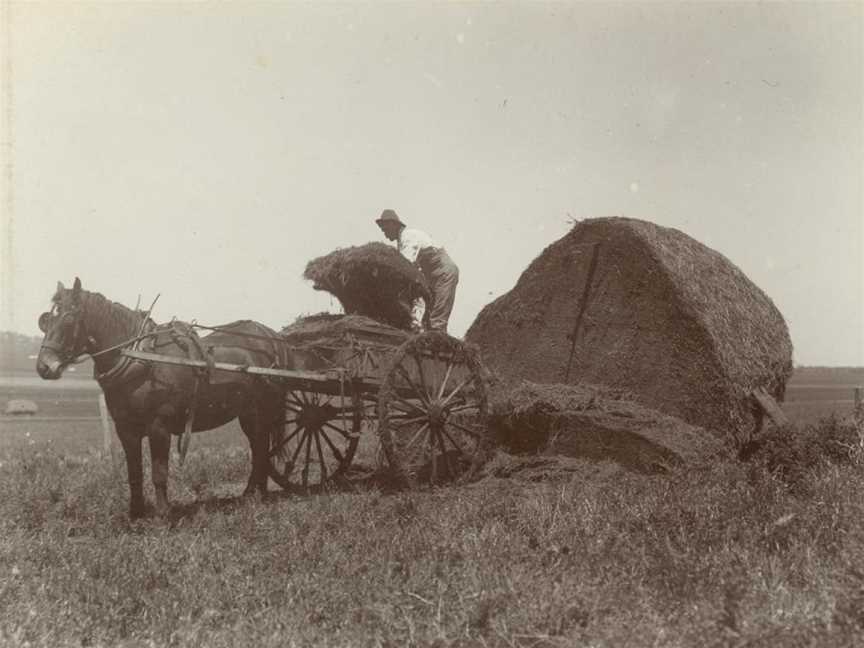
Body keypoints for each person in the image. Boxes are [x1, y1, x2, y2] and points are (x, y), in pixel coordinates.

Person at [376, 209, 459, 333]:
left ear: (393, 224)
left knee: (437, 320)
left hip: (443, 274)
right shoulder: (401, 243)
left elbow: (406, 267)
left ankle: (438, 344)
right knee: (427, 318)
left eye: (386, 229)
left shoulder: (408, 237)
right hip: (431, 278)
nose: (385, 234)